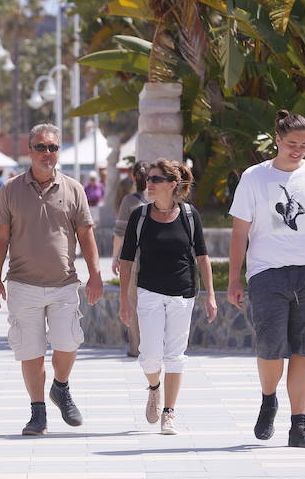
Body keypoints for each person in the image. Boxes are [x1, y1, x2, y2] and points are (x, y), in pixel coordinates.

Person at [227, 110, 305, 449]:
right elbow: (239, 232)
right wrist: (235, 279)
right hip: (266, 273)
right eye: (291, 144)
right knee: (270, 349)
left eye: (304, 145)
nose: (297, 150)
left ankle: (299, 426)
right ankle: (268, 399)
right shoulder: (254, 177)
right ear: (277, 140)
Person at [0, 123, 104, 436]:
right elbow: (0, 238)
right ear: (30, 151)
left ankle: (61, 387)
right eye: (41, 147)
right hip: (22, 283)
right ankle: (37, 412)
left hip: (64, 283)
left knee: (68, 341)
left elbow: (86, 235)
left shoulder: (73, 188)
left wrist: (95, 274)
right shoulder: (10, 189)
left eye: (52, 147)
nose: (47, 153)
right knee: (30, 349)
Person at [118, 160, 217, 435]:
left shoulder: (189, 215)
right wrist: (124, 300)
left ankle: (169, 413)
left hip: (182, 294)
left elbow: (202, 256)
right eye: (149, 178)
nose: (149, 183)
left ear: (173, 184)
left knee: (175, 356)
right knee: (149, 356)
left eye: (156, 179)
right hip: (148, 292)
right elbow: (125, 260)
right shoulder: (139, 217)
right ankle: (154, 387)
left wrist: (210, 295)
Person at [112, 161, 149, 277]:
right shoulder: (159, 199)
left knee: (132, 294)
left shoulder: (129, 200)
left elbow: (119, 234)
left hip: (134, 258)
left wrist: (114, 258)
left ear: (133, 176)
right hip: (157, 257)